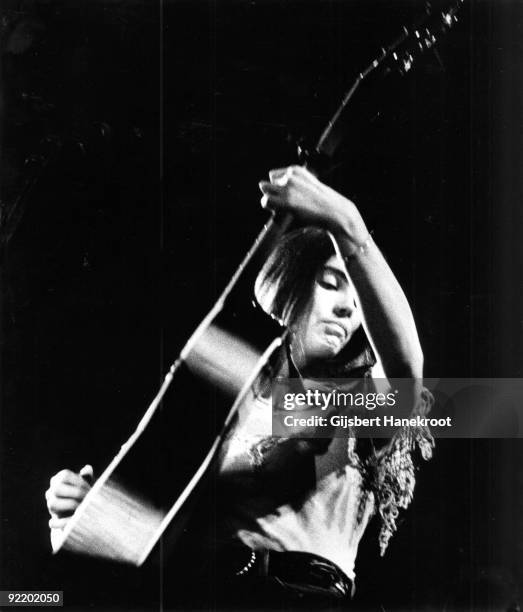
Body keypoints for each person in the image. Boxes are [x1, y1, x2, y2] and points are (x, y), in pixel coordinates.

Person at [46, 166, 433, 610]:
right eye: (330, 282)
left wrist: (346, 222)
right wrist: (88, 516)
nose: (349, 308)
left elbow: (407, 368)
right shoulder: (223, 402)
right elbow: (155, 539)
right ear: (290, 289)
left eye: (357, 297)